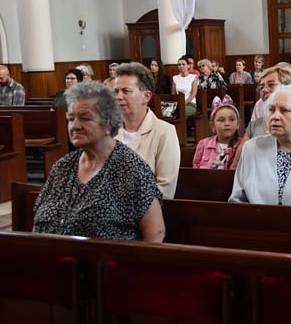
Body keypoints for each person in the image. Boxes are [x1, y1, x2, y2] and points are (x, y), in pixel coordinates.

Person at [33, 81, 165, 242]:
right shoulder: (62, 166)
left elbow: (155, 234)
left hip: (105, 258)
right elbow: (38, 221)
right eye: (70, 119)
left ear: (109, 124)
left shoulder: (132, 169)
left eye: (85, 118)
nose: (75, 126)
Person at [114, 62, 181, 199]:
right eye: (116, 91)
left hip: (146, 210)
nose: (118, 97)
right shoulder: (107, 131)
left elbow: (165, 190)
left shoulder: (164, 132)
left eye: (126, 91)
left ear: (146, 96)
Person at [193, 95, 243, 169]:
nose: (227, 123)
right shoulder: (203, 144)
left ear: (238, 124)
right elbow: (196, 169)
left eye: (232, 119)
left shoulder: (243, 145)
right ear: (213, 126)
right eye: (222, 120)